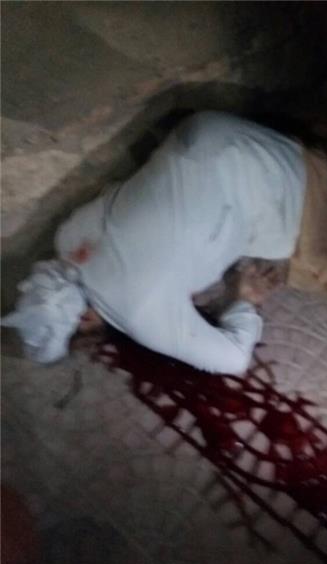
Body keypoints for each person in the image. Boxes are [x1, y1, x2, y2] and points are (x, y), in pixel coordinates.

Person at [2, 111, 306, 374]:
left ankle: (313, 174)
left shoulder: (140, 316)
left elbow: (235, 359)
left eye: (82, 343)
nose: (91, 347)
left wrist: (243, 298)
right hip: (204, 129)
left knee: (279, 262)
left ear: (84, 320)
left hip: (276, 170)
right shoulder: (67, 238)